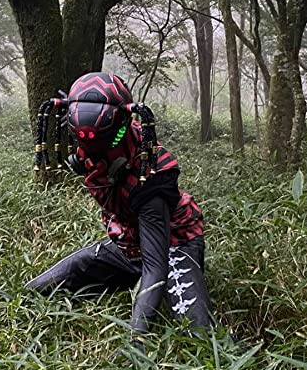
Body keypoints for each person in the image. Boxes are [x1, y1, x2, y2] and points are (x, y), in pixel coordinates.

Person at [26, 72, 213, 334]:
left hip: (173, 243)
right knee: (38, 290)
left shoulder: (151, 177)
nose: (88, 150)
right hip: (128, 243)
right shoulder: (93, 144)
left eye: (100, 142)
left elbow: (155, 267)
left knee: (199, 331)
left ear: (120, 126)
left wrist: (137, 339)